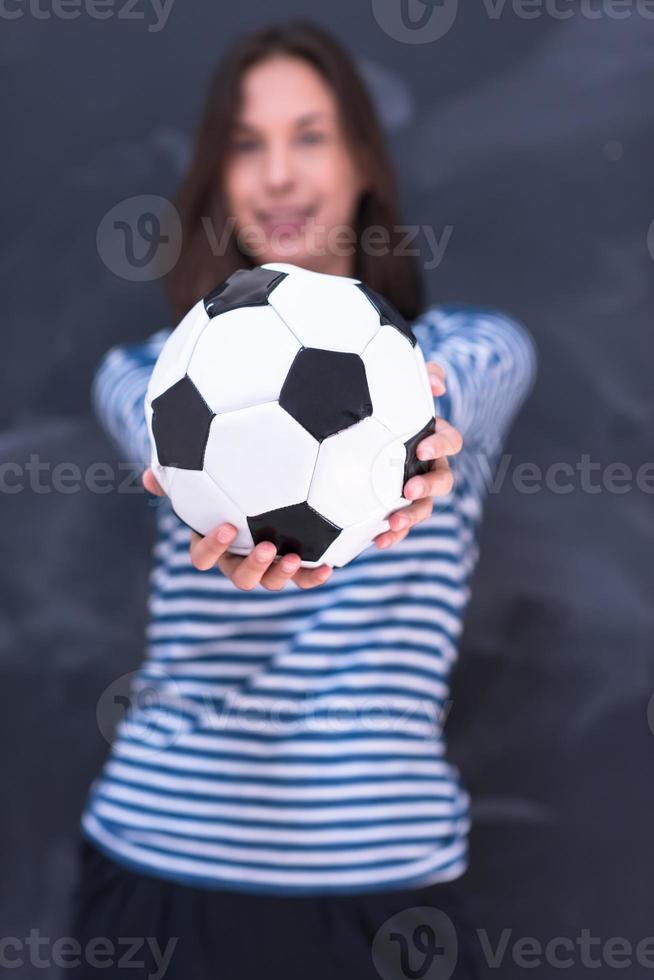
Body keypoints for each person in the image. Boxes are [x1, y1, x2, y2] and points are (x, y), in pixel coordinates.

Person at [67, 19, 538, 980]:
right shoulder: (149, 374)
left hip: (387, 895)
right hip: (159, 875)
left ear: (365, 159)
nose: (279, 173)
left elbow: (472, 375)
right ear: (218, 176)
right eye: (247, 143)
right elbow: (139, 418)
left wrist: (405, 431)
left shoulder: (467, 350)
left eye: (311, 134)